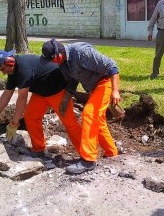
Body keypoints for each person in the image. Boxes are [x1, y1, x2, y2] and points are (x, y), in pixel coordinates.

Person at [42, 39, 121, 174]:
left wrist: (115, 90)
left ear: (59, 53)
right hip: (94, 88)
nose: (55, 63)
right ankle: (111, 153)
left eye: (55, 59)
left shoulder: (81, 52)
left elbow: (112, 66)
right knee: (98, 121)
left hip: (105, 82)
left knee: (89, 114)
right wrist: (65, 100)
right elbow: (72, 81)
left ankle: (88, 160)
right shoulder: (63, 62)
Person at [0, 49, 82, 158]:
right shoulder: (12, 71)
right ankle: (38, 148)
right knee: (31, 116)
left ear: (9, 61)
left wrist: (14, 123)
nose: (3, 72)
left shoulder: (24, 69)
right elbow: (6, 95)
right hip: (41, 92)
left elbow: (22, 98)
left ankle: (86, 155)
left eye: (3, 69)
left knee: (69, 122)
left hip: (57, 90)